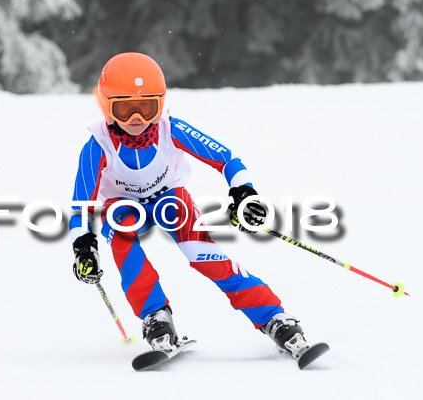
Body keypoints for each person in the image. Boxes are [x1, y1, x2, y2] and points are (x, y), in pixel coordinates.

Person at [70, 52, 311, 359]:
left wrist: (244, 193)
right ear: (107, 106)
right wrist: (84, 245)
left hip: (170, 199)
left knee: (206, 257)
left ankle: (274, 319)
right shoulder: (97, 145)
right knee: (119, 229)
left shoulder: (171, 128)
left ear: (161, 103)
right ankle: (156, 316)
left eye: (146, 108)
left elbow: (227, 159)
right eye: (125, 108)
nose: (137, 120)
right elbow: (81, 203)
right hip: (124, 206)